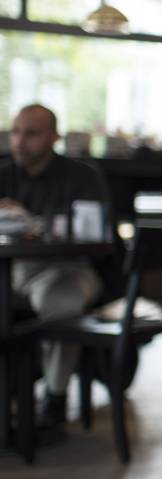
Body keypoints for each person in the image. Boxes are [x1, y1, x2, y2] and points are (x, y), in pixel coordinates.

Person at [0, 104, 107, 426]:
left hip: (67, 267)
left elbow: (96, 235)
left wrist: (29, 220)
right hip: (11, 270)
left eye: (31, 133)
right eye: (16, 132)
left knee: (61, 302)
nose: (20, 141)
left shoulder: (82, 176)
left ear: (54, 136)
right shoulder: (3, 175)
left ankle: (55, 398)